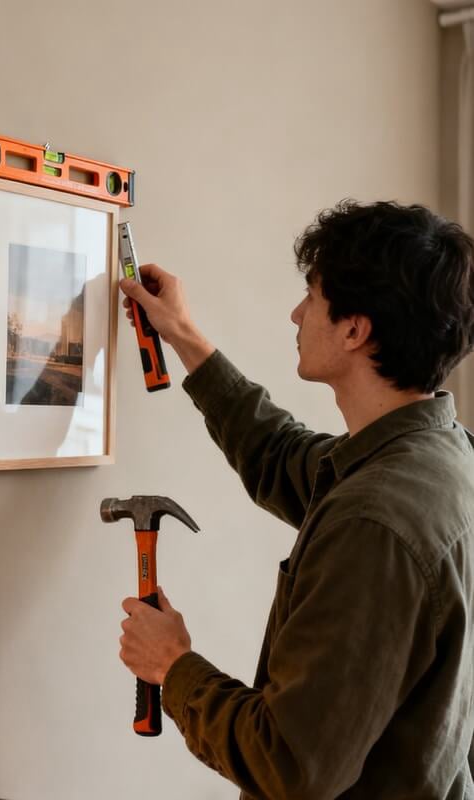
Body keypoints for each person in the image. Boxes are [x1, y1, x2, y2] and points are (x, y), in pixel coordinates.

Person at [117, 199, 474, 799]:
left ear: (354, 330)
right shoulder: (440, 455)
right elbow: (280, 454)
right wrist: (183, 335)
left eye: (311, 297)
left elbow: (289, 765)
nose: (296, 314)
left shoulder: (374, 524)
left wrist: (173, 666)